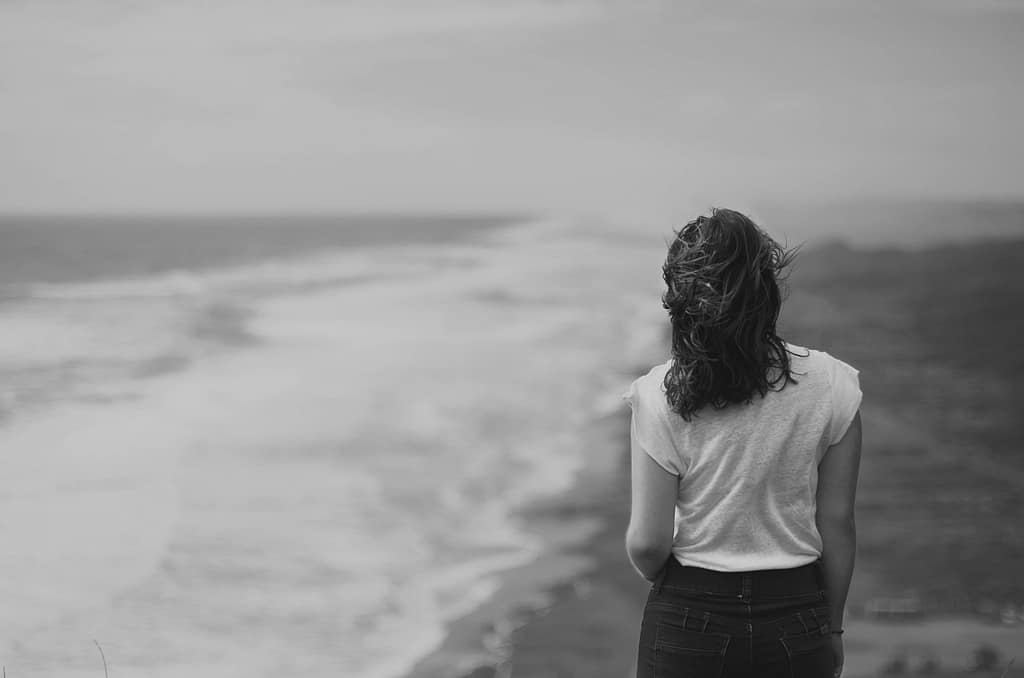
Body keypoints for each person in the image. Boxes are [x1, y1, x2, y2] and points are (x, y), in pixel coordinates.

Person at [622, 208, 862, 678]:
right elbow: (837, 526)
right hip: (797, 616)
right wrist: (831, 629)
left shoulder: (657, 393)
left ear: (681, 299)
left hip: (688, 617)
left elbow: (648, 544)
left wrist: (682, 590)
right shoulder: (834, 384)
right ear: (766, 290)